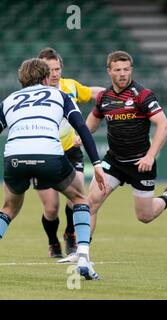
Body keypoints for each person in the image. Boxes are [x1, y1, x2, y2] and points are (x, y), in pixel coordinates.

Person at [58, 50, 167, 263]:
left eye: (126, 69)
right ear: (109, 71)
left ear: (131, 70)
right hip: (114, 161)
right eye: (118, 70)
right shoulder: (104, 97)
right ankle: (82, 254)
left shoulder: (143, 95)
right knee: (90, 204)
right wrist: (81, 137)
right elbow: (92, 119)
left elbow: (163, 125)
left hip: (140, 164)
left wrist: (150, 156)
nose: (122, 74)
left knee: (144, 216)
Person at [0, 58, 106, 280]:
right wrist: (96, 164)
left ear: (22, 79)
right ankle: (84, 258)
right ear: (46, 78)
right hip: (49, 155)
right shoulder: (60, 95)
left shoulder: (9, 100)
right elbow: (82, 129)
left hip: (15, 158)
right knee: (79, 199)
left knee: (8, 209)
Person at [36, 47, 105, 258]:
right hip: (44, 154)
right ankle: (52, 242)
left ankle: (70, 233)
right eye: (50, 69)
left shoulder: (70, 87)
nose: (55, 73)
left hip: (70, 151)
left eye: (57, 69)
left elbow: (95, 93)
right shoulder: (35, 93)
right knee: (51, 208)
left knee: (75, 197)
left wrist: (117, 97)